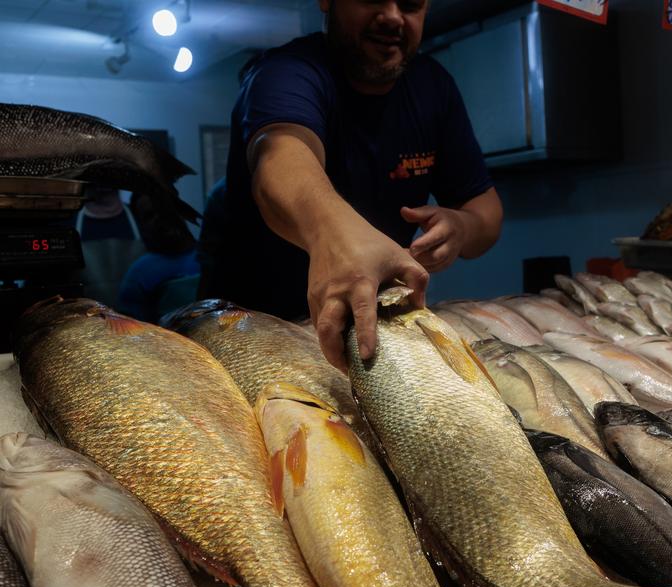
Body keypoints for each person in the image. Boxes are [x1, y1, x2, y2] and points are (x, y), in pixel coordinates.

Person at [203, 0, 503, 371]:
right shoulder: (285, 73)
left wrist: (462, 226)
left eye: (411, 3)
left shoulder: (433, 87)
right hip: (252, 329)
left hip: (369, 326)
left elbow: (486, 212)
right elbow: (280, 158)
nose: (393, 16)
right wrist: (334, 235)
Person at [116, 193, 201, 323]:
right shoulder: (139, 275)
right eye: (149, 215)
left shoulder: (211, 257)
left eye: (165, 208)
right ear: (142, 226)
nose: (160, 218)